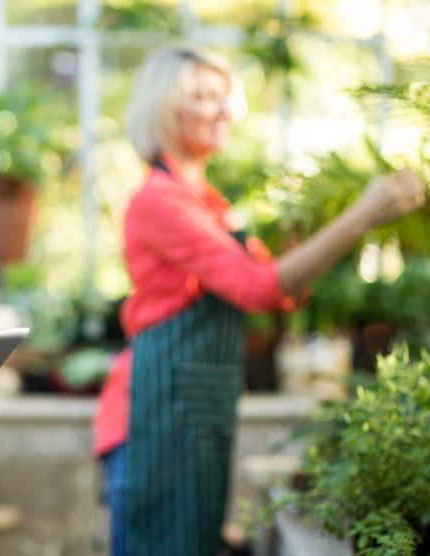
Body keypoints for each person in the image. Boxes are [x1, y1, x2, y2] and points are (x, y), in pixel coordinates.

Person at [91, 43, 426, 556]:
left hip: (197, 410)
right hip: (151, 416)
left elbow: (277, 292)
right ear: (164, 108)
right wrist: (360, 215)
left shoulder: (212, 204)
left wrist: (312, 239)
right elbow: (257, 286)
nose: (226, 110)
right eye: (206, 97)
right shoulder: (157, 202)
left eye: (226, 97)